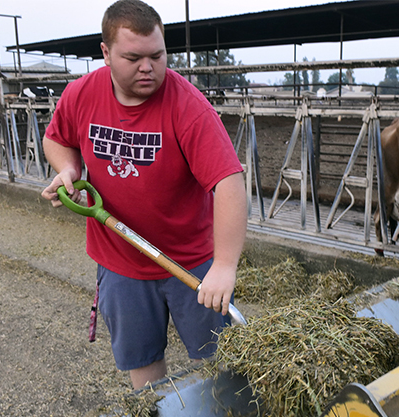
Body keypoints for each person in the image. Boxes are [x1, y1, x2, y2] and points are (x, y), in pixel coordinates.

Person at [40, 0, 247, 389]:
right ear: (105, 53)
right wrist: (69, 169)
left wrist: (224, 264)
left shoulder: (188, 107)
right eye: (133, 57)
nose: (148, 67)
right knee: (143, 365)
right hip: (120, 260)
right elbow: (56, 138)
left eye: (157, 55)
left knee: (222, 362)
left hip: (191, 263)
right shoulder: (81, 94)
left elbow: (229, 183)